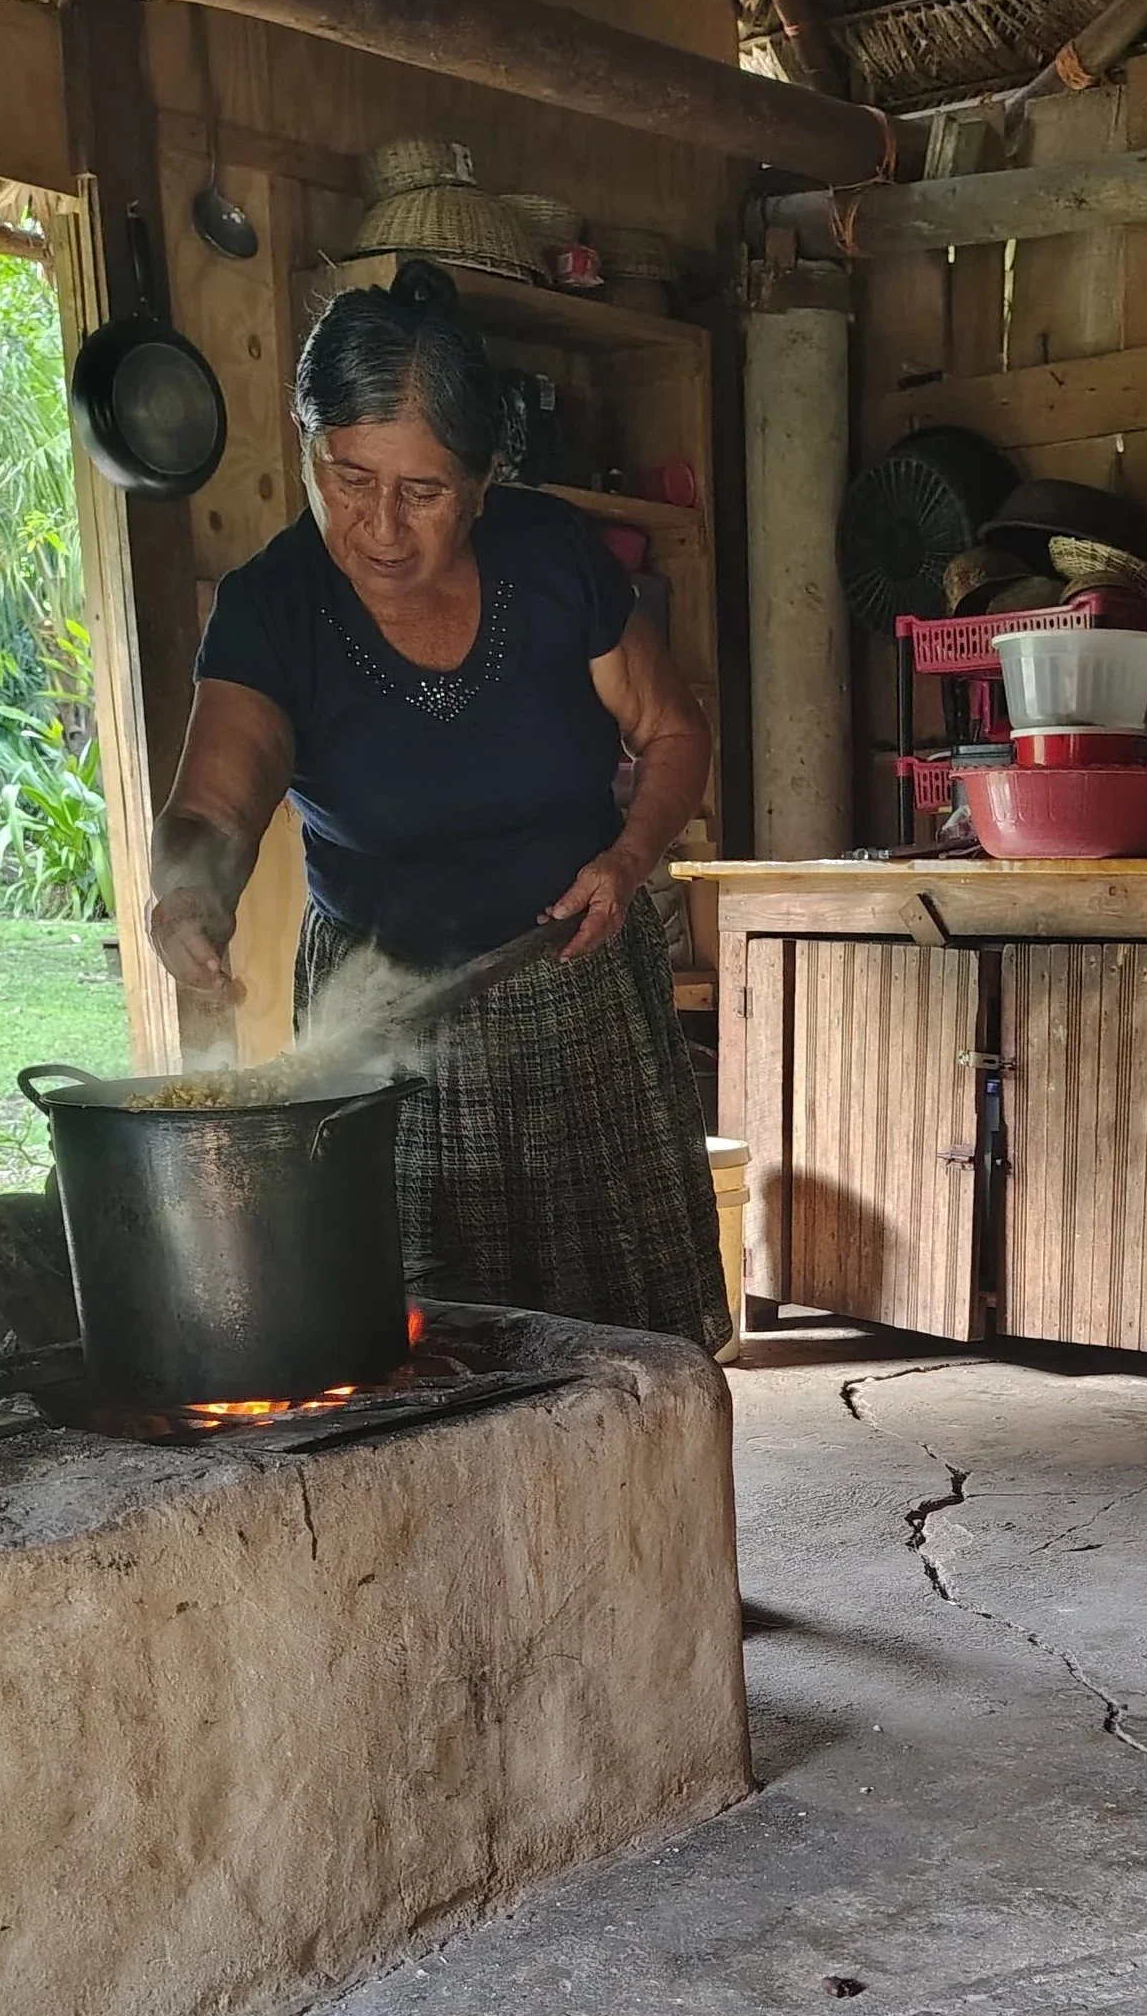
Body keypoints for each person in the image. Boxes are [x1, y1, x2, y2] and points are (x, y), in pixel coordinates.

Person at [148, 262, 730, 1351]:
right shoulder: (275, 608)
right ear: (310, 445)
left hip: (576, 990)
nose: (378, 527)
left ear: (481, 478)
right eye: (348, 477)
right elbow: (213, 811)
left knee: (618, 1346)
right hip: (390, 1020)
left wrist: (629, 855)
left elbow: (671, 731)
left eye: (421, 492)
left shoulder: (550, 555)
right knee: (426, 1342)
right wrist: (188, 897)